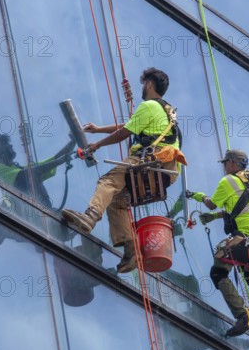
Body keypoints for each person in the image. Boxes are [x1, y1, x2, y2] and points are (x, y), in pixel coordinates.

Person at [62, 67, 186, 274]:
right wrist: (99, 128)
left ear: (149, 84)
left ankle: (89, 217)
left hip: (150, 158)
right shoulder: (164, 110)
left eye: (143, 84)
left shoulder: (149, 105)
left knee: (107, 181)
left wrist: (97, 144)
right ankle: (131, 255)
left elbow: (125, 132)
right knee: (117, 201)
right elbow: (130, 125)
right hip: (167, 170)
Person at [189, 149, 249, 342]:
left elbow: (212, 203)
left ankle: (243, 316)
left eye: (225, 163)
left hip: (248, 237)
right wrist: (216, 217)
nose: (223, 167)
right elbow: (242, 205)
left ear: (231, 163)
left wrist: (198, 196)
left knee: (218, 271)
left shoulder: (226, 182)